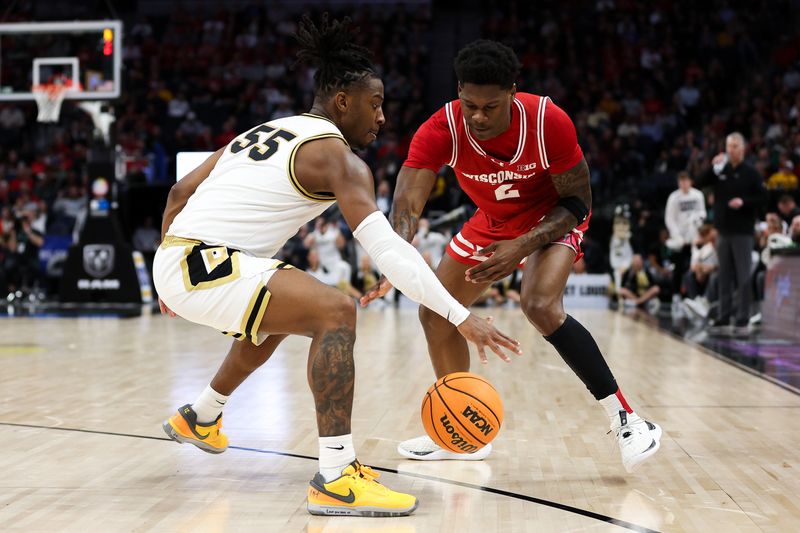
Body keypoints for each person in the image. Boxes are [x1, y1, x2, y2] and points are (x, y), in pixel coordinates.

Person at [153, 17, 520, 518]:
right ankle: (336, 476)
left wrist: (166, 273)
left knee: (290, 308)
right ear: (343, 101)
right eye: (376, 104)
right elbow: (387, 250)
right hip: (204, 262)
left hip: (182, 258)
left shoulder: (267, 130)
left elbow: (179, 192)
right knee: (335, 312)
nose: (382, 118)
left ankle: (202, 414)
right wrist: (461, 316)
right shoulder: (339, 160)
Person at [362, 40, 662, 473]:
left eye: (491, 106)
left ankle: (629, 420)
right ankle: (461, 434)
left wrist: (522, 246)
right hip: (494, 220)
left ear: (513, 93)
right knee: (435, 314)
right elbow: (407, 204)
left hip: (552, 216)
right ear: (459, 92)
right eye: (470, 105)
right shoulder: (442, 127)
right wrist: (395, 254)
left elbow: (578, 201)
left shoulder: (547, 121)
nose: (479, 117)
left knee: (539, 304)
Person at [696, 132, 767, 334]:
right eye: (728, 146)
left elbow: (763, 198)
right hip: (722, 231)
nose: (731, 149)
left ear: (743, 149)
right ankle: (724, 315)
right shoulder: (720, 171)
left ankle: (743, 317)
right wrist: (712, 166)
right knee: (723, 275)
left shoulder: (751, 173)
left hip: (742, 232)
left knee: (743, 275)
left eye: (735, 146)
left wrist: (744, 202)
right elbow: (698, 183)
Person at [664, 171, 706, 300]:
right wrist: (677, 236)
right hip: (680, 240)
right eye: (681, 181)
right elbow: (669, 218)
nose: (684, 184)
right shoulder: (674, 197)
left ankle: (693, 296)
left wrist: (697, 222)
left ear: (690, 181)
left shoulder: (698, 195)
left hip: (694, 239)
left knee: (694, 267)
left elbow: (702, 213)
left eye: (686, 181)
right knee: (678, 269)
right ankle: (676, 295)